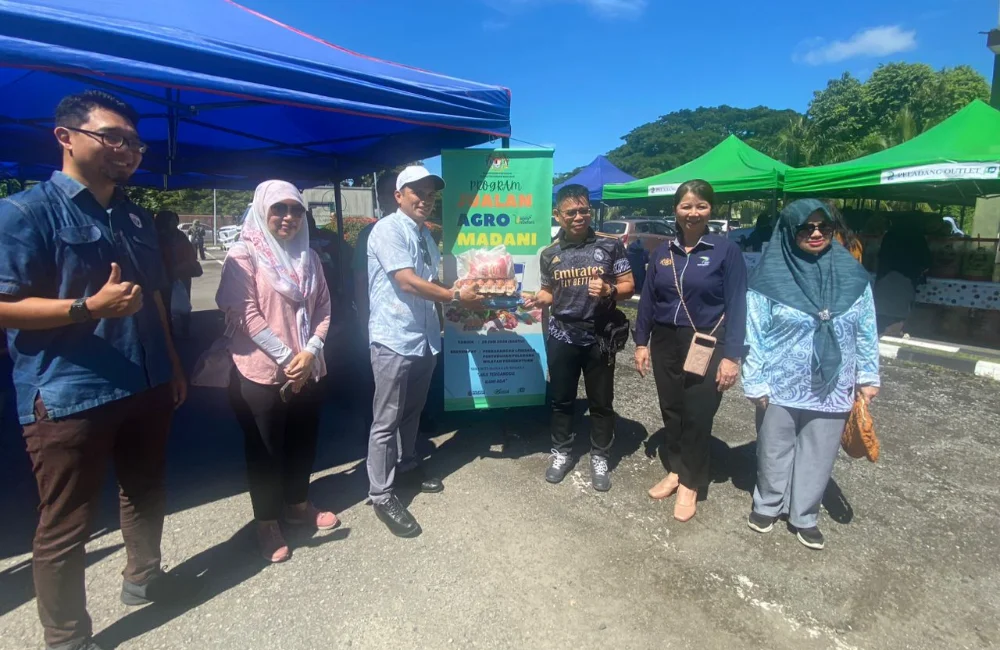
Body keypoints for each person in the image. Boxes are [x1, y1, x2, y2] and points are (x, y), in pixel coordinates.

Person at [0, 90, 191, 650]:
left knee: (146, 490)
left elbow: (155, 297)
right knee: (67, 524)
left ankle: (144, 578)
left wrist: (173, 364)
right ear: (65, 137)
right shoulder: (25, 212)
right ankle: (67, 638)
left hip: (146, 380)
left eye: (134, 142)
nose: (127, 149)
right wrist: (86, 308)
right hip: (69, 393)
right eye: (112, 137)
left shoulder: (135, 216)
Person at [742, 199, 880, 550]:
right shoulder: (769, 277)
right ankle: (768, 504)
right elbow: (754, 332)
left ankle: (804, 515)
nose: (816, 233)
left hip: (833, 383)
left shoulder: (852, 276)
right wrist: (754, 379)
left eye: (824, 227)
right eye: (806, 227)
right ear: (790, 230)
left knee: (819, 452)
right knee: (774, 447)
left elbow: (867, 329)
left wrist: (868, 375)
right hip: (780, 381)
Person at [216, 181, 337, 563]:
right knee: (265, 451)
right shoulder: (244, 255)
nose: (288, 217)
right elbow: (245, 314)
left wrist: (311, 351)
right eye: (279, 209)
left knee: (303, 440)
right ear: (262, 211)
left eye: (296, 210)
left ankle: (297, 505)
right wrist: (288, 358)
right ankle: (267, 523)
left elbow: (324, 308)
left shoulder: (309, 258)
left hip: (308, 367)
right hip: (262, 372)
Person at [366, 165, 481, 537]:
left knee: (412, 411)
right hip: (394, 339)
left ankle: (408, 465)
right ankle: (381, 494)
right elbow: (407, 282)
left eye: (431, 194)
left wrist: (472, 284)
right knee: (386, 420)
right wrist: (454, 296)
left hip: (424, 337)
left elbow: (432, 279)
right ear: (398, 196)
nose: (425, 199)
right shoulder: (387, 230)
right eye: (417, 191)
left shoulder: (425, 234)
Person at [633, 180, 747, 522]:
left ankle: (691, 482)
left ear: (711, 210)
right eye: (686, 206)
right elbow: (648, 300)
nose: (693, 213)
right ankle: (676, 469)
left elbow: (738, 305)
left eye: (701, 206)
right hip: (665, 340)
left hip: (707, 342)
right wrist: (641, 342)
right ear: (675, 210)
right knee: (672, 408)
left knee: (698, 412)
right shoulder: (662, 253)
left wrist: (732, 356)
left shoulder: (726, 251)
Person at [523, 183, 635, 492]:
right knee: (561, 400)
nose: (578, 217)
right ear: (557, 215)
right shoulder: (550, 254)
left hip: (600, 336)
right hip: (562, 335)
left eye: (584, 210)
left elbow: (629, 286)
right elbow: (549, 292)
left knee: (601, 402)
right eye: (571, 212)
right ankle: (562, 451)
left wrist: (610, 289)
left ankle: (600, 455)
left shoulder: (610, 245)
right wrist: (539, 299)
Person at [874, 214, 932, 335]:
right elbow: (926, 260)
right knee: (899, 312)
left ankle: (882, 333)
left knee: (882, 312)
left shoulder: (890, 235)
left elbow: (880, 256)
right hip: (907, 279)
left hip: (885, 278)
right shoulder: (918, 237)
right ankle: (895, 331)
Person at [154, 210, 201, 337]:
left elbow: (190, 253)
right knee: (166, 305)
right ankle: (168, 331)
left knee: (184, 301)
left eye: (175, 220)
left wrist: (183, 266)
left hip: (183, 275)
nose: (175, 223)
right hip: (165, 277)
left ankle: (186, 328)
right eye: (171, 220)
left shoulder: (180, 236)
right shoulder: (158, 238)